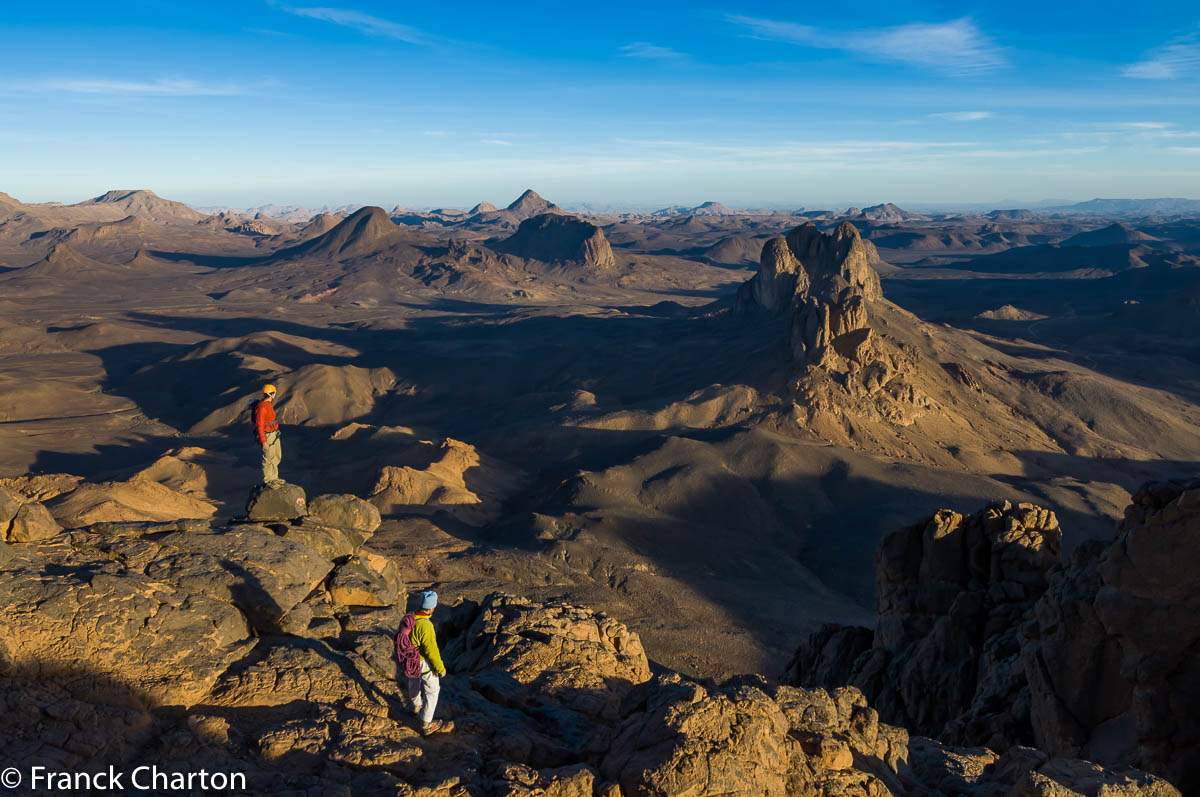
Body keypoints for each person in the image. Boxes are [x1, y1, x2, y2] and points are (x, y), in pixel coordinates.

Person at [408, 590, 452, 736]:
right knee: (432, 690)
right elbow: (432, 652)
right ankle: (426, 723)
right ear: (432, 607)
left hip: (409, 659)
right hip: (421, 662)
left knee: (413, 680)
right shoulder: (426, 626)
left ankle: (416, 705)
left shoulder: (409, 617)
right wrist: (441, 669)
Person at [253, 384, 283, 485]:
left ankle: (274, 478)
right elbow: (259, 425)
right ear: (272, 394)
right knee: (268, 457)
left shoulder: (268, 404)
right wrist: (264, 441)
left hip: (274, 433)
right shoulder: (262, 407)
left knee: (276, 455)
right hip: (267, 435)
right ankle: (268, 480)